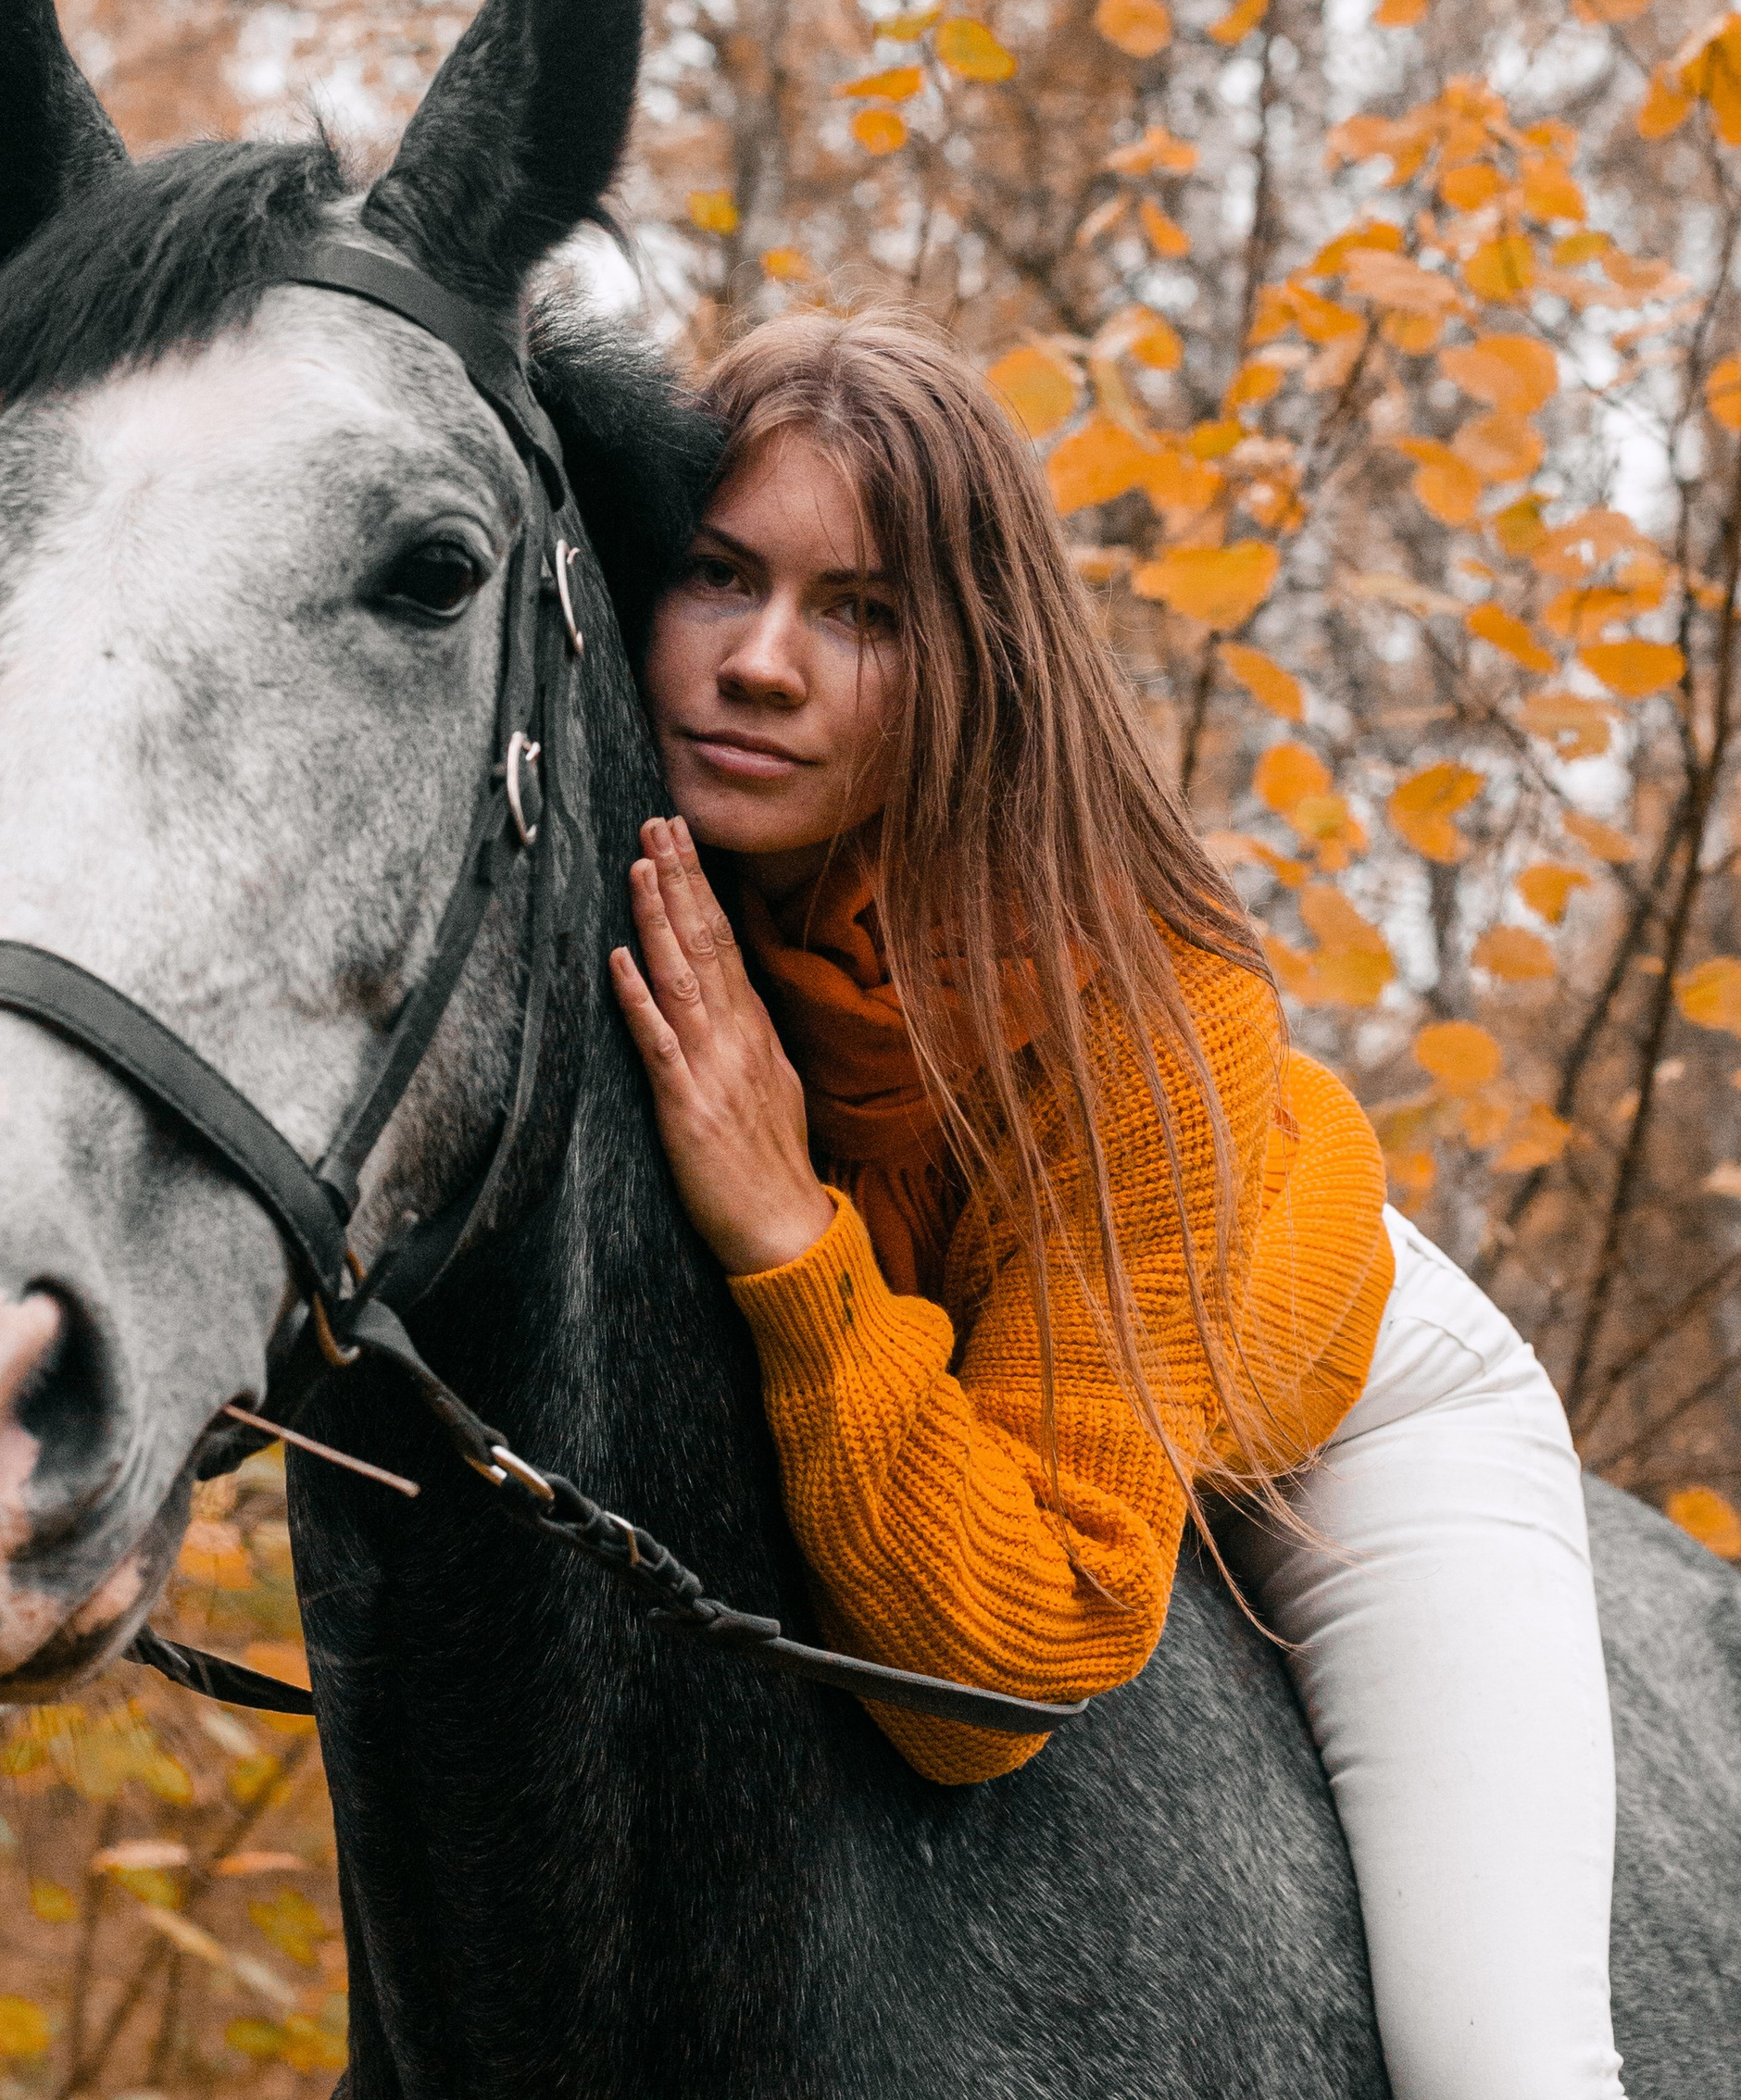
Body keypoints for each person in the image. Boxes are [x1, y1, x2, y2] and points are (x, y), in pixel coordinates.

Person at [608, 306, 1622, 2100]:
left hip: (1340, 1413)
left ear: (967, 664)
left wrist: (785, 1233)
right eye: (718, 574)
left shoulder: (1139, 1024)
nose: (759, 660)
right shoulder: (644, 893)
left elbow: (1005, 1661)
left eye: (858, 614)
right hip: (992, 1381)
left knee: (1495, 2068)